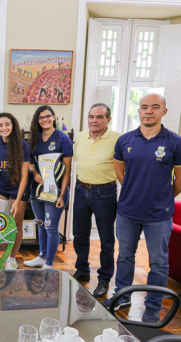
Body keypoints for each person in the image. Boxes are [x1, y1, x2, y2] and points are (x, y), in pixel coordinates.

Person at [103, 94, 181, 323]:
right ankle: (122, 297)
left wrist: (162, 198)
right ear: (139, 111)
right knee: (125, 257)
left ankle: (153, 306)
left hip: (158, 215)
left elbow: (179, 181)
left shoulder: (175, 142)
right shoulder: (125, 140)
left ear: (163, 112)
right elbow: (120, 172)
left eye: (155, 107)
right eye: (144, 107)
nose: (148, 111)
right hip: (127, 212)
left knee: (158, 262)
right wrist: (132, 192)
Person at [72, 103, 121, 298]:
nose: (94, 120)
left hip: (105, 192)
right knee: (80, 234)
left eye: (99, 117)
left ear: (108, 120)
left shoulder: (118, 139)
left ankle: (104, 279)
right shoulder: (81, 137)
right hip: (81, 189)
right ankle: (82, 269)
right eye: (91, 116)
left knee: (106, 239)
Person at [23, 105, 73, 269]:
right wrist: (34, 171)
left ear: (54, 117)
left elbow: (67, 171)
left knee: (51, 227)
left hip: (56, 191)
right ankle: (42, 256)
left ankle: (49, 264)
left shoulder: (63, 139)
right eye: (41, 117)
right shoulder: (34, 139)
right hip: (37, 189)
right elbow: (28, 164)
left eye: (47, 116)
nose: (44, 120)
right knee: (40, 223)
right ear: (38, 121)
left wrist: (62, 195)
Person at [0, 112, 30, 269]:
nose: (4, 127)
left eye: (7, 124)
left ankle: (11, 258)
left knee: (15, 225)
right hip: (1, 186)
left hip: (18, 188)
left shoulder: (23, 145)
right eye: (0, 125)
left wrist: (17, 201)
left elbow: (24, 176)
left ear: (13, 125)